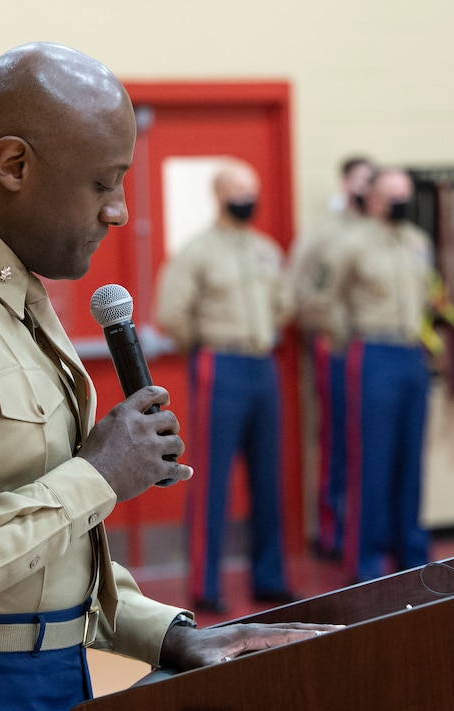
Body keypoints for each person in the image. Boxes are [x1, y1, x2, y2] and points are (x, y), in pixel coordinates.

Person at [0, 42, 333, 711]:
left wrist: (161, 630)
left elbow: (30, 557)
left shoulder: (3, 291)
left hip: (31, 670)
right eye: (102, 183)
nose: (120, 212)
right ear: (14, 164)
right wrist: (97, 476)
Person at [155, 159, 296, 614]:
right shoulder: (196, 251)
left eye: (253, 189)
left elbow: (283, 304)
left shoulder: (266, 249)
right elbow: (172, 312)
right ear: (220, 195)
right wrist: (204, 343)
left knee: (267, 477)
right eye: (239, 190)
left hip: (261, 364)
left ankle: (269, 576)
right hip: (220, 363)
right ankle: (205, 582)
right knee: (212, 477)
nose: (248, 198)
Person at [329, 167, 436, 583]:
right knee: (370, 460)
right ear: (373, 198)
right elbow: (322, 298)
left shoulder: (417, 242)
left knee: (411, 459)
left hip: (412, 354)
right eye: (393, 194)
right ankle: (366, 561)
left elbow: (427, 296)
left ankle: (410, 552)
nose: (402, 201)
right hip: (372, 352)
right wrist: (347, 342)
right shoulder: (351, 244)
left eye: (406, 193)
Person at [290, 155, 374, 559]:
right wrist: (336, 330)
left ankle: (366, 527)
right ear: (346, 184)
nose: (367, 188)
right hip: (338, 347)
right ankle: (331, 529)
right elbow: (303, 289)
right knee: (335, 439)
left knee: (370, 440)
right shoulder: (325, 234)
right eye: (361, 180)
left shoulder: (381, 231)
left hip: (377, 349)